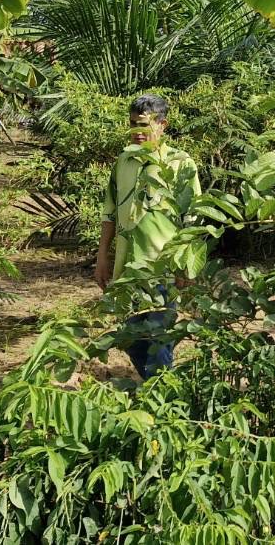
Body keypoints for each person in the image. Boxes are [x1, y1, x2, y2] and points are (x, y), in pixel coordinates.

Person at [94, 95, 195, 379]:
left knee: (157, 335)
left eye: (144, 125)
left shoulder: (180, 163)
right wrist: (103, 256)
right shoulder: (123, 162)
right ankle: (162, 389)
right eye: (132, 125)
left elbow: (193, 217)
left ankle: (164, 398)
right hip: (128, 268)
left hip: (163, 266)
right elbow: (110, 212)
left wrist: (187, 264)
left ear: (163, 124)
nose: (137, 132)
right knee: (130, 336)